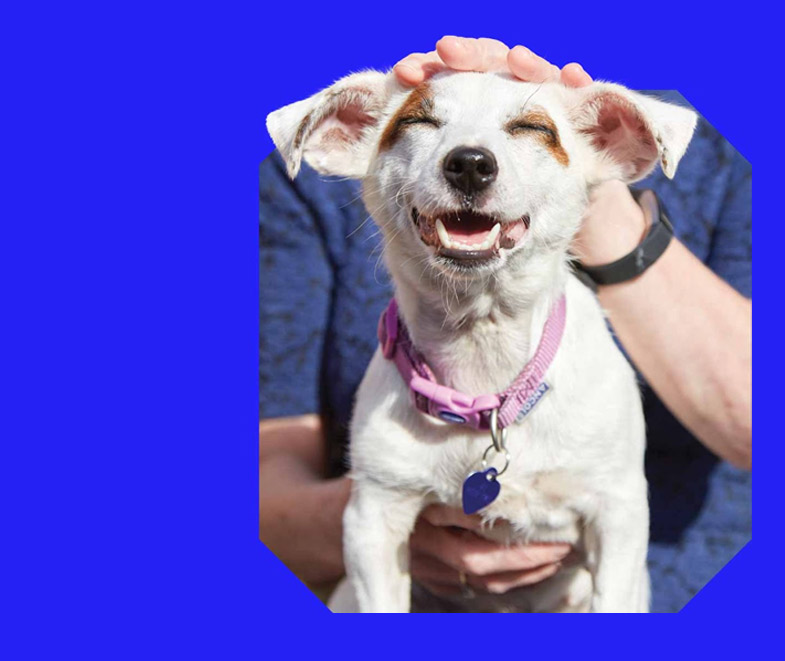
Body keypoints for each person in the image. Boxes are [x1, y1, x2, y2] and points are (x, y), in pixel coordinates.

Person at [259, 36, 751, 611]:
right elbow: (271, 475)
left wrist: (612, 216)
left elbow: (622, 510)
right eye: (424, 124)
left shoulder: (723, 161)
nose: (470, 156)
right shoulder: (291, 192)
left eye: (527, 130)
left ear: (614, 152)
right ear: (345, 139)